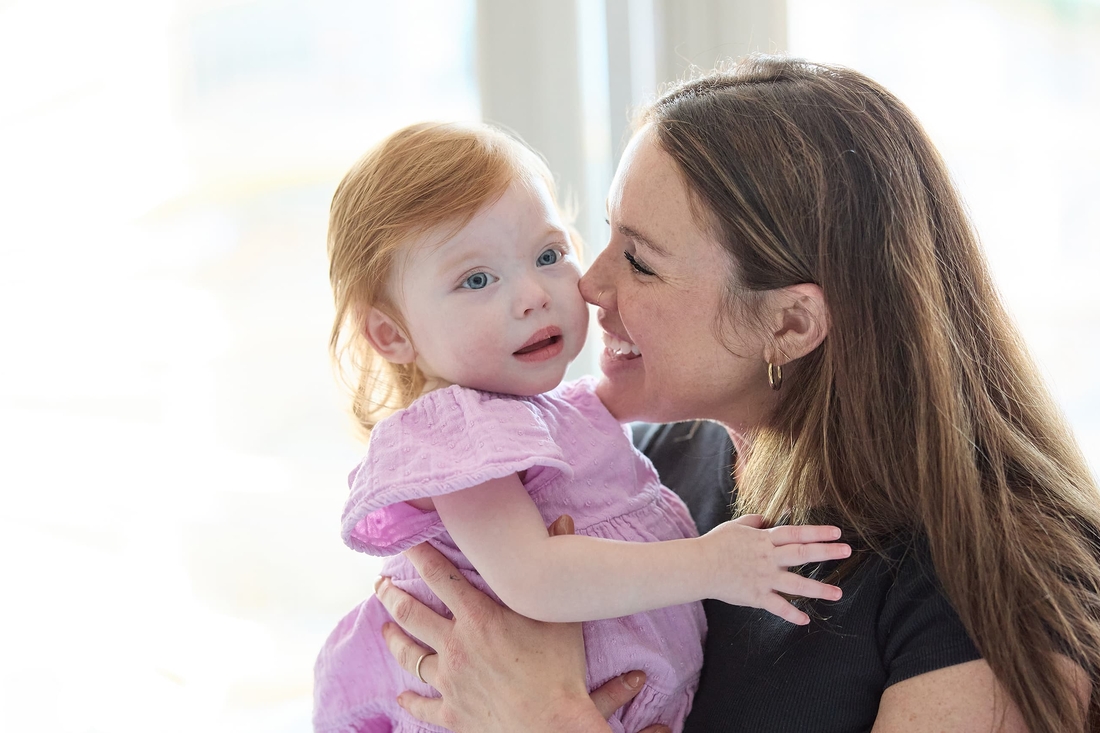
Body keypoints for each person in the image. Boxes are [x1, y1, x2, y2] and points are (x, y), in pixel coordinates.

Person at [372, 56, 1100, 733]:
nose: (588, 284)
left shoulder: (1004, 586)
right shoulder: (647, 469)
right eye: (600, 235)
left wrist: (548, 719)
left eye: (640, 260)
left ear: (788, 323)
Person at [312, 121, 851, 733]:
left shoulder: (568, 412)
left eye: (547, 255)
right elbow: (535, 579)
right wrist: (711, 564)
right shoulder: (456, 442)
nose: (532, 295)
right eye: (477, 279)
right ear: (391, 334)